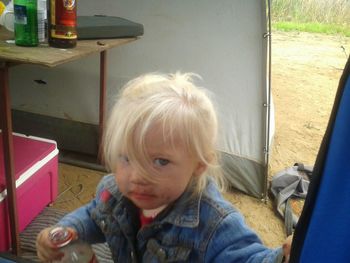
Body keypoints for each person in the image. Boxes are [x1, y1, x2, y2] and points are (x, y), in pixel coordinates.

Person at [36, 72, 291, 262]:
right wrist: (67, 231)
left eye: (160, 161)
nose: (137, 177)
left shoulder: (213, 222)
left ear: (199, 165)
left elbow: (246, 258)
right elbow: (93, 217)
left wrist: (284, 256)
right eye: (127, 157)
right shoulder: (112, 192)